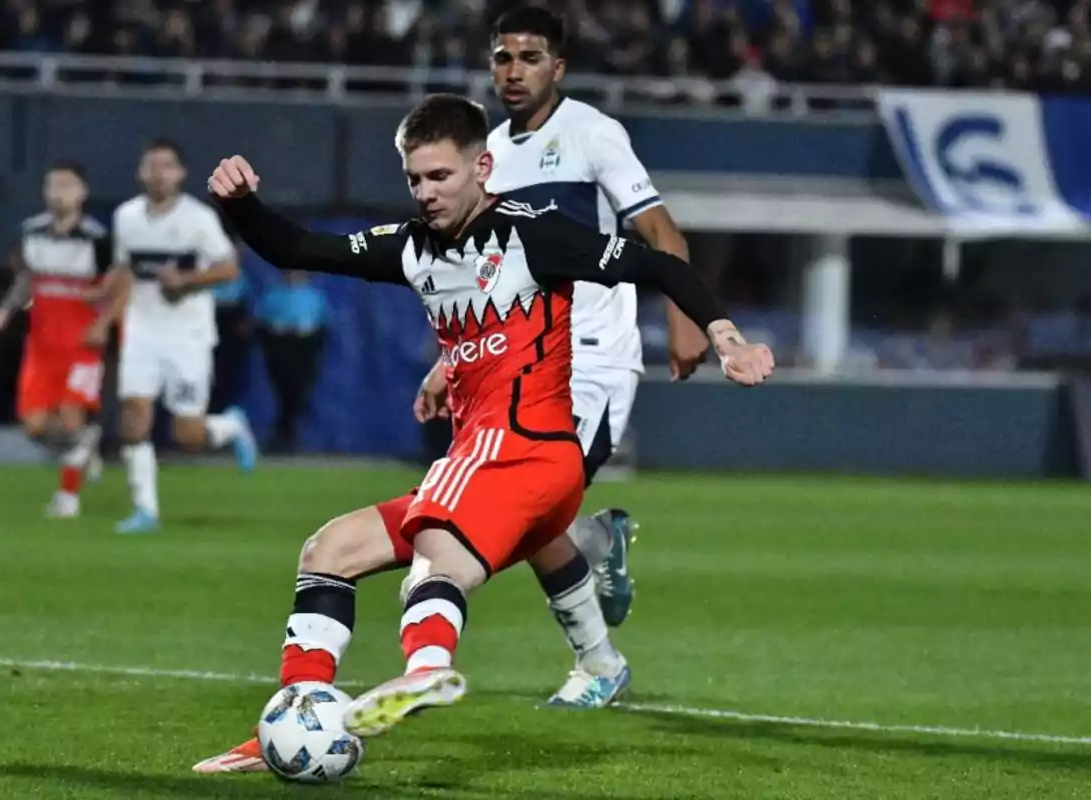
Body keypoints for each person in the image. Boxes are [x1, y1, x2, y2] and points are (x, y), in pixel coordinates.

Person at [192, 93, 772, 771]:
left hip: (528, 453)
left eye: (441, 177)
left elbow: (664, 265)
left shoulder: (535, 234)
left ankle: (428, 666)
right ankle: (297, 720)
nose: (426, 193)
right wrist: (239, 205)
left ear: (483, 167)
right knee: (329, 549)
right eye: (415, 179)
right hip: (497, 469)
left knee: (436, 547)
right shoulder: (411, 246)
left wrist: (725, 337)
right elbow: (297, 246)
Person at [406, 5, 709, 707]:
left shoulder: (592, 134)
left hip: (594, 357)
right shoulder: (493, 158)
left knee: (522, 510)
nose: (513, 71)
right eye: (503, 58)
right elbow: (488, 277)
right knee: (534, 519)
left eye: (530, 57)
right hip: (520, 363)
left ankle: (599, 653)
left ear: (558, 67)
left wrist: (689, 314)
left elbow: (658, 228)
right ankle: (599, 583)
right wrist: (449, 362)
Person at [105, 137, 259, 534]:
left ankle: (230, 426)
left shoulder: (198, 219)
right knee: (134, 418)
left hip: (187, 335)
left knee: (186, 434)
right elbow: (124, 270)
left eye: (166, 165)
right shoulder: (126, 217)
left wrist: (186, 281)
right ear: (141, 172)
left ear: (181, 173)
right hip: (141, 330)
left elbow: (229, 269)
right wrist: (106, 313)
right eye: (151, 165)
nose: (158, 173)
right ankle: (145, 511)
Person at [0, 161, 117, 517]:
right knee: (35, 426)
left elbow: (119, 284)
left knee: (72, 417)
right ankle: (85, 447)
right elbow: (27, 279)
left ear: (82, 193)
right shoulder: (32, 231)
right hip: (41, 344)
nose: (59, 194)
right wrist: (6, 309)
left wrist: (105, 320)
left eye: (67, 186)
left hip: (81, 346)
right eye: (53, 186)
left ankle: (67, 497)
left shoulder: (97, 239)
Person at [253, 270, 329, 452]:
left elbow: (323, 324)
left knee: (299, 390)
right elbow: (261, 321)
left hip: (305, 346)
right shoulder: (273, 294)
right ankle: (283, 434)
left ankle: (287, 433)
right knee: (283, 389)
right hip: (280, 345)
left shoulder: (314, 296)